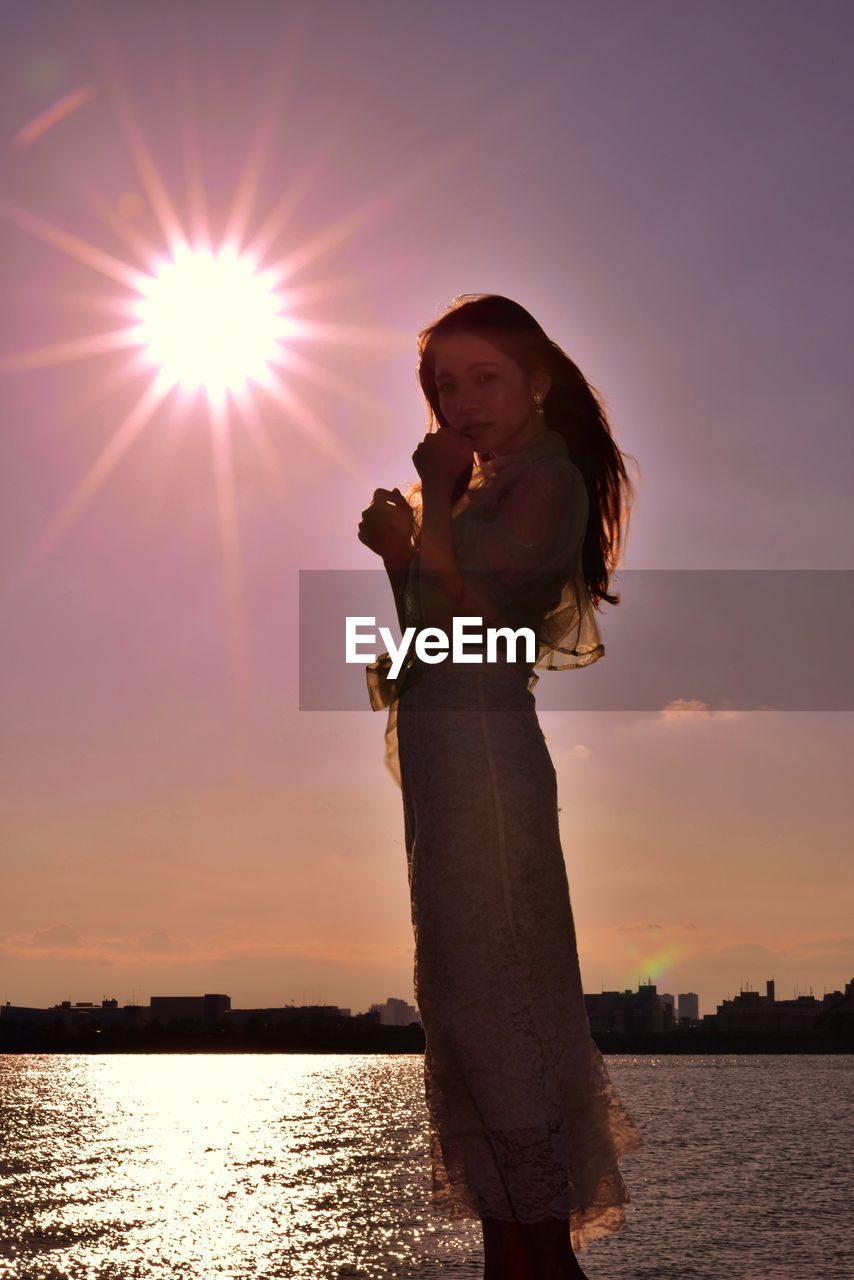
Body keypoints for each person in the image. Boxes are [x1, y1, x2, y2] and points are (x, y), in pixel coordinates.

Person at [357, 294, 644, 1280]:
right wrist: (402, 553)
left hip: (483, 759)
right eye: (445, 385)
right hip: (447, 763)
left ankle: (535, 1257)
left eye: (484, 377)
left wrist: (427, 510)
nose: (462, 400)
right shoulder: (482, 488)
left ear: (536, 380)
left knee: (502, 997)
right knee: (467, 1012)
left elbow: (477, 618)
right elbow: (432, 628)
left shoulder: (548, 481)